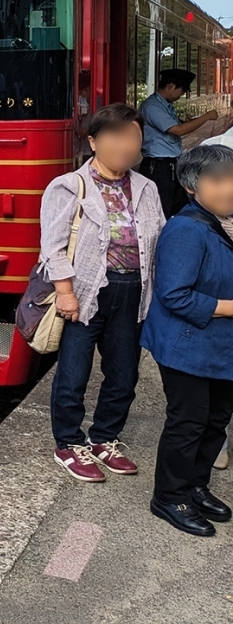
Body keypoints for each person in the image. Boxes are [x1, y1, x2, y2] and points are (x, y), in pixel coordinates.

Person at [41, 103, 164, 482]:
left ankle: (104, 438)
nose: (125, 145)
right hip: (86, 291)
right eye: (115, 136)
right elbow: (53, 246)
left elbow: (158, 238)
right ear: (94, 141)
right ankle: (68, 443)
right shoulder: (68, 187)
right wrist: (65, 293)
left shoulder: (146, 187)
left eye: (133, 137)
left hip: (134, 291)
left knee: (124, 373)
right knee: (74, 374)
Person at [142, 144, 233, 536]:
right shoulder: (186, 229)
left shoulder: (223, 222)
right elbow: (174, 294)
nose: (228, 188)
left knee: (216, 419)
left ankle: (195, 485)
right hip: (186, 347)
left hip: (219, 346)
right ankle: (169, 496)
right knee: (188, 422)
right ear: (192, 187)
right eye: (218, 181)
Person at [139, 69, 219, 218]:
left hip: (170, 164)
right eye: (181, 91)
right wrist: (206, 117)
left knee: (175, 207)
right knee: (162, 210)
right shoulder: (152, 106)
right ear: (170, 86)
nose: (181, 95)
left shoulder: (166, 106)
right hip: (158, 166)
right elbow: (177, 130)